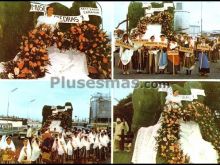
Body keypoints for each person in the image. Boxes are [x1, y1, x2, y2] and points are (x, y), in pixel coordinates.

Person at [36, 6, 90, 80]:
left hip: (53, 38)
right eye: (50, 10)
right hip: (44, 37)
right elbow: (37, 28)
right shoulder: (42, 18)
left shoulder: (55, 19)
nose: (51, 11)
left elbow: (56, 28)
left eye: (52, 10)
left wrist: (57, 35)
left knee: (55, 49)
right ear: (46, 11)